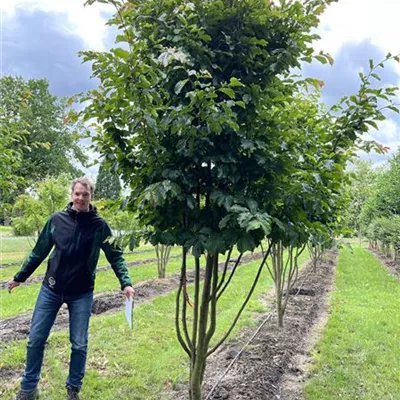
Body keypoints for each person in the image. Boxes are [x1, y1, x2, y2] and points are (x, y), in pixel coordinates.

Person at [8, 177, 135, 400]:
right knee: (36, 338)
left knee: (79, 343)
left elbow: (116, 256)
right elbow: (39, 252)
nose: (80, 198)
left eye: (85, 195)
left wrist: (126, 282)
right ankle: (28, 388)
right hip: (51, 288)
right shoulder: (56, 220)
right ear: (72, 195)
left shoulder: (100, 226)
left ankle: (73, 389)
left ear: (90, 196)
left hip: (82, 293)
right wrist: (20, 277)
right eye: (77, 194)